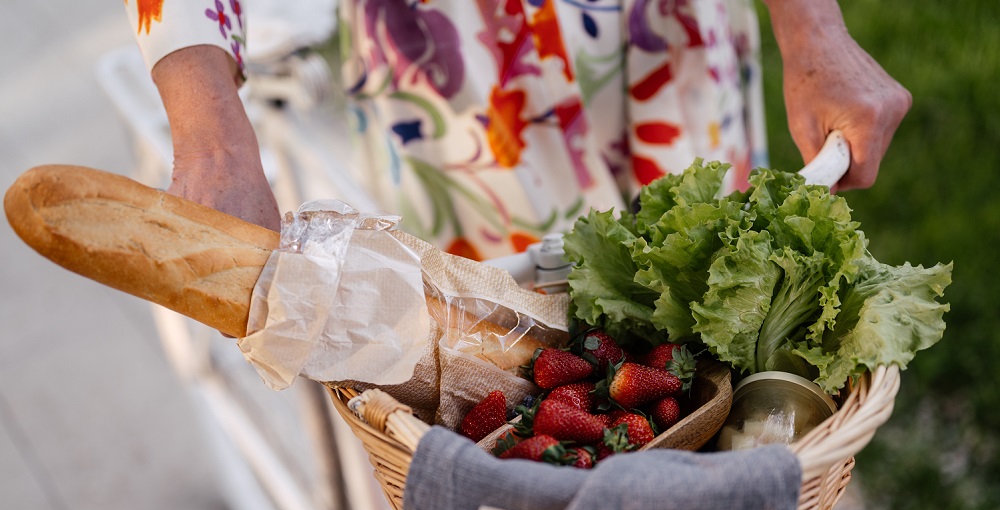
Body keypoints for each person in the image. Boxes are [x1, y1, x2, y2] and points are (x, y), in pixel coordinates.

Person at [123, 0, 910, 259]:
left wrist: (814, 34)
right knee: (508, 391)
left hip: (670, 42)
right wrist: (212, 138)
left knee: (714, 354)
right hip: (458, 79)